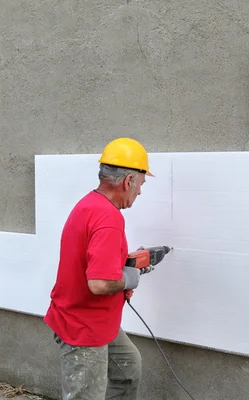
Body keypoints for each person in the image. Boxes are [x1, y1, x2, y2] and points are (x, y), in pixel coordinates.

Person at [43, 137, 154, 400]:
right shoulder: (108, 218)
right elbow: (100, 283)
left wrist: (123, 264)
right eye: (141, 184)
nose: (139, 191)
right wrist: (128, 278)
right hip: (83, 327)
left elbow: (91, 258)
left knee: (127, 368)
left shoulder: (90, 205)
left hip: (96, 319)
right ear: (128, 181)